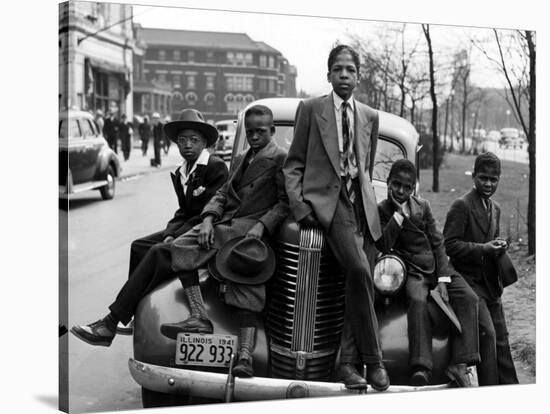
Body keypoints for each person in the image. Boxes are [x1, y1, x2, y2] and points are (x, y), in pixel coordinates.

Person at [70, 108, 229, 344]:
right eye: (182, 140)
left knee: (157, 252)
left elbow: (210, 212)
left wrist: (174, 236)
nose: (187, 145)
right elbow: (184, 211)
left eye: (194, 140)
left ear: (204, 142)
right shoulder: (182, 171)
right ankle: (135, 312)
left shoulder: (215, 167)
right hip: (187, 228)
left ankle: (110, 323)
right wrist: (170, 232)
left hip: (207, 233)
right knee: (138, 246)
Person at [283, 44, 389, 391]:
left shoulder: (370, 116)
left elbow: (366, 167)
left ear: (359, 76)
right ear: (329, 74)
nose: (344, 75)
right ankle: (373, 362)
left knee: (358, 282)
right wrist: (302, 208)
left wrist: (368, 204)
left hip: (362, 208)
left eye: (350, 69)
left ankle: (346, 363)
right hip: (330, 204)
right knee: (360, 271)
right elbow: (294, 164)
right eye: (338, 69)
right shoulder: (312, 109)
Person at [158, 104, 288, 377]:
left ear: (272, 131)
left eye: (260, 132)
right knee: (179, 246)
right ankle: (198, 317)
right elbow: (222, 194)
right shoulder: (240, 158)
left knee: (247, 285)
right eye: (250, 132)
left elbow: (284, 203)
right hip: (225, 224)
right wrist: (207, 219)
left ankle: (245, 357)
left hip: (251, 231)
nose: (254, 137)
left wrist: (262, 227)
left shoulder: (280, 159)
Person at [376, 159, 480, 387]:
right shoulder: (383, 210)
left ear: (414, 188)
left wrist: (443, 278)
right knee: (417, 299)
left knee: (468, 298)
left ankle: (462, 362)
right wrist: (398, 216)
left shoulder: (423, 206)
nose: (401, 191)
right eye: (396, 185)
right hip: (413, 271)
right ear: (388, 184)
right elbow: (383, 245)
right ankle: (421, 365)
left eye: (407, 187)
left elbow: (438, 243)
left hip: (437, 269)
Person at [443, 152, 519, 386]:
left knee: (502, 341)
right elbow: (450, 245)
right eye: (483, 178)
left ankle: (511, 390)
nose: (488, 184)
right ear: (474, 176)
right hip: (468, 283)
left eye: (493, 179)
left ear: (499, 180)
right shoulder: (462, 205)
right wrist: (483, 248)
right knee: (488, 334)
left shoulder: (494, 208)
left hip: (489, 284)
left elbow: (489, 238)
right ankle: (489, 391)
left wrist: (499, 244)